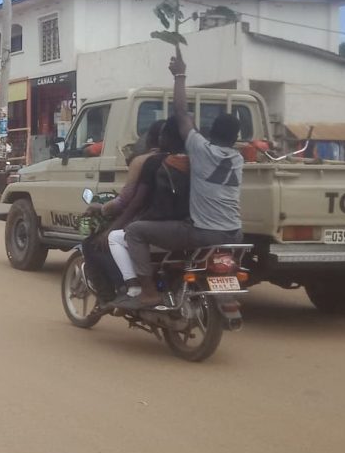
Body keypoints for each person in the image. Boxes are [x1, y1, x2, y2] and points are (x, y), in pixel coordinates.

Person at [116, 52, 244, 311]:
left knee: (135, 231)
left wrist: (180, 75)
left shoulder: (201, 149)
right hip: (235, 233)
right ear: (234, 138)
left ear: (211, 132)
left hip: (204, 233)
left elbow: (181, 111)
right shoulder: (237, 159)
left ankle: (148, 292)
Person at [83, 119, 168, 295]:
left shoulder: (143, 162)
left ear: (149, 140)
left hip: (148, 223)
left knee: (95, 244)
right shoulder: (188, 161)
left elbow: (127, 201)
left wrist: (102, 209)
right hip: (182, 226)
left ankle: (121, 288)